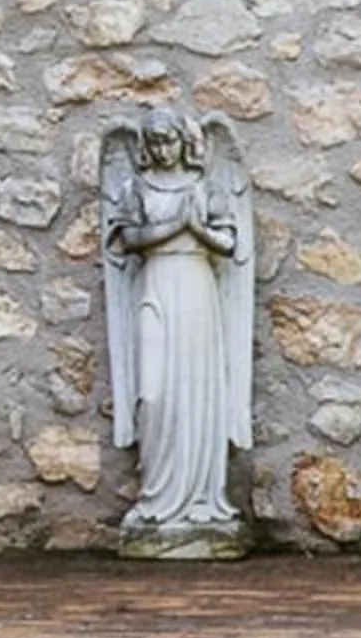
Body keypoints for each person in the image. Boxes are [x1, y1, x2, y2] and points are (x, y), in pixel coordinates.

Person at [100, 106, 254, 552]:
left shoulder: (207, 187)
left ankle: (202, 500)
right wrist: (176, 225)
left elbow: (228, 244)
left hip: (197, 288)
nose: (162, 149)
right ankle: (157, 498)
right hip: (156, 284)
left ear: (184, 141)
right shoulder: (134, 187)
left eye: (169, 139)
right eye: (154, 141)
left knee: (197, 390)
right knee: (153, 391)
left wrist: (197, 230)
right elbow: (128, 240)